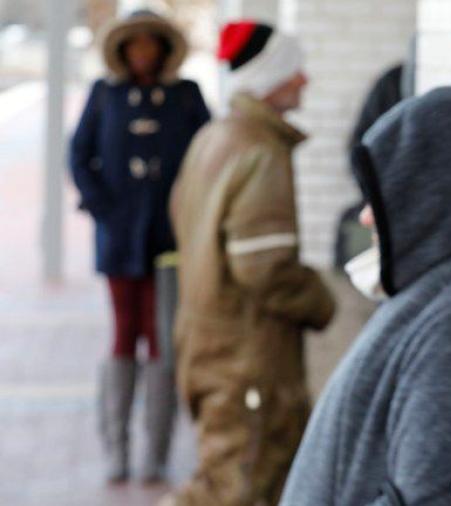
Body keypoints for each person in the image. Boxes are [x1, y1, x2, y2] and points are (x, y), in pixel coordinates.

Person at [279, 86, 451, 506]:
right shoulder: (450, 285)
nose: (366, 215)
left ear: (430, 194)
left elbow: (434, 491)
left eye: (379, 196)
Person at [162, 21, 336, 506]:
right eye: (295, 69)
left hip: (210, 347)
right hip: (248, 360)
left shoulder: (214, 137)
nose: (304, 79)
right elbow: (266, 269)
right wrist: (323, 300)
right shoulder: (258, 150)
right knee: (234, 490)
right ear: (271, 75)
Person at [69, 10, 209, 484]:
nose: (144, 53)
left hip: (168, 240)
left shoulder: (186, 96)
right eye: (135, 45)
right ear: (124, 51)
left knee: (163, 340)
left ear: (165, 49)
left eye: (152, 44)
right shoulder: (104, 96)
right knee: (123, 333)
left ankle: (157, 452)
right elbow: (78, 154)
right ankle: (117, 448)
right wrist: (104, 206)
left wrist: (187, 212)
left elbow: (205, 157)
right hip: (119, 236)